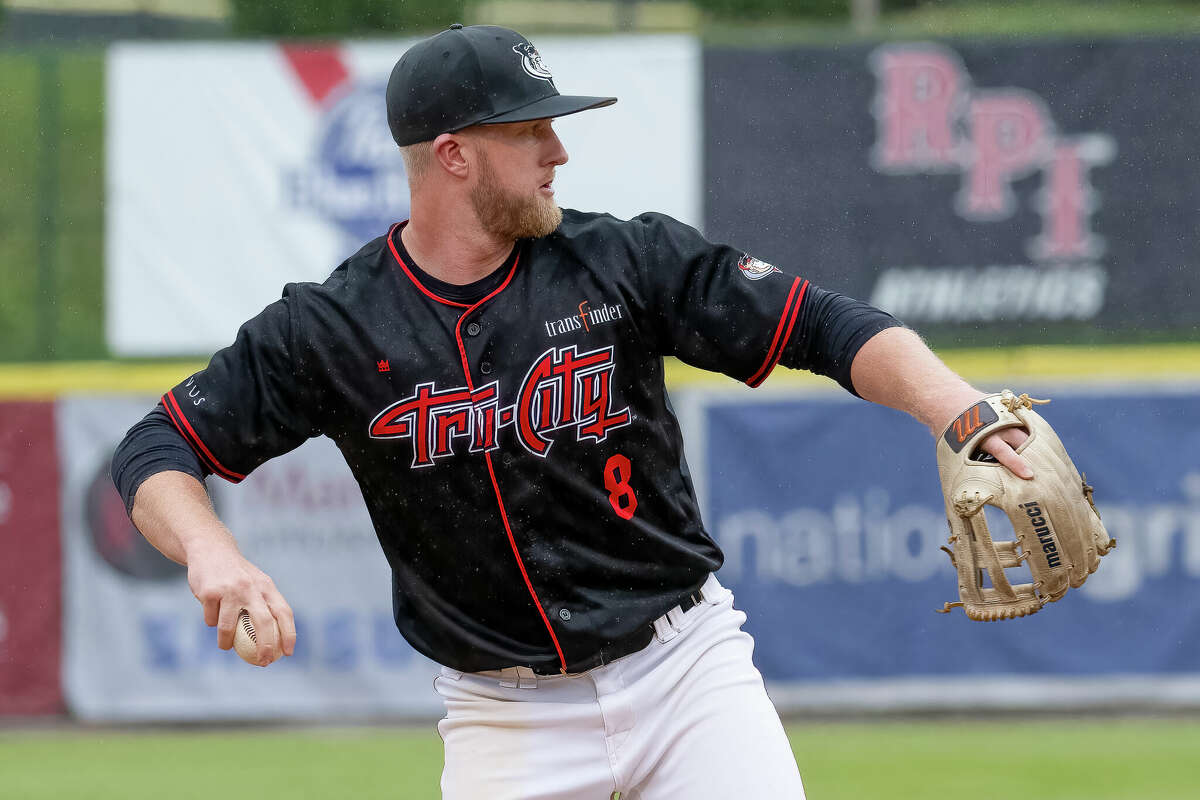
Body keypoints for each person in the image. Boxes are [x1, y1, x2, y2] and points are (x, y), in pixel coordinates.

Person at [112, 24, 1033, 799]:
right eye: (532, 132)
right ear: (455, 155)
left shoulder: (622, 263)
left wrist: (959, 411)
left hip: (683, 670)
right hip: (503, 715)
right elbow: (158, 446)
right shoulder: (335, 327)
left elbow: (821, 324)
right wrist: (212, 552)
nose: (559, 151)